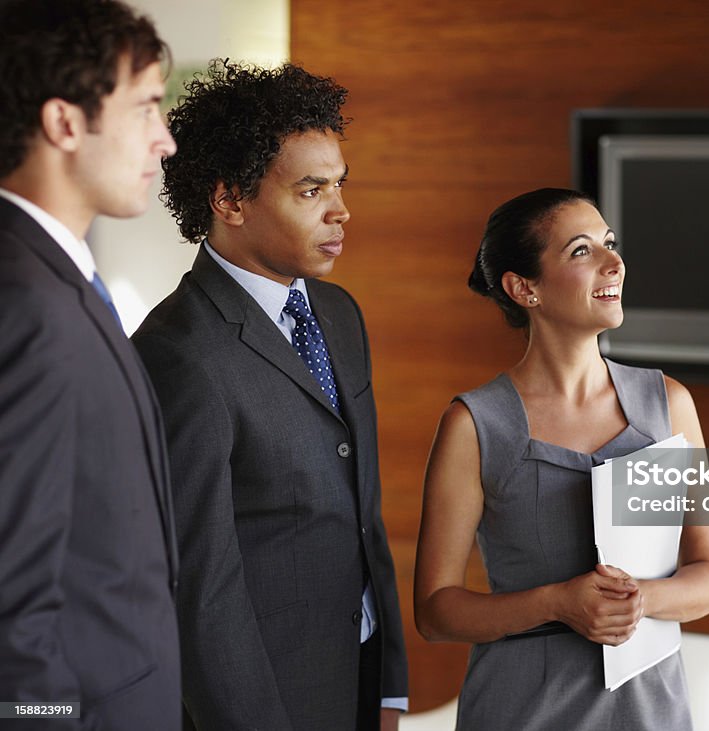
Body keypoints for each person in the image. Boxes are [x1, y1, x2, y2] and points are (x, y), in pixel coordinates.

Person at [131, 61, 408, 730]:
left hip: (359, 679)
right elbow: (199, 587)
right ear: (229, 200)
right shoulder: (178, 353)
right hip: (265, 703)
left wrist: (390, 686)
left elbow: (365, 518)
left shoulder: (339, 313)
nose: (341, 210)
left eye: (340, 185)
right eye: (312, 190)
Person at [415, 188, 709, 730]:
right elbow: (436, 612)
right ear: (524, 288)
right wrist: (558, 602)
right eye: (582, 250)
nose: (615, 262)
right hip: (520, 712)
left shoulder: (670, 405)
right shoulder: (473, 424)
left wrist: (638, 598)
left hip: (650, 713)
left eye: (610, 243)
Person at [0, 0, 180, 728]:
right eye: (146, 108)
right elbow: (10, 600)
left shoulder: (55, 279)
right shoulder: (26, 304)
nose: (164, 141)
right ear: (65, 122)